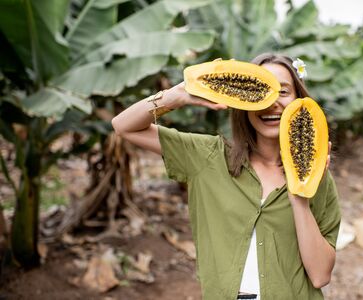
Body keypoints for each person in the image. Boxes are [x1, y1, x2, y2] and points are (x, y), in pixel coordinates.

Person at [111, 53, 341, 300]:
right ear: (242, 101)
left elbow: (320, 275)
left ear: (299, 100)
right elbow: (123, 126)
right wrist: (177, 95)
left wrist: (300, 193)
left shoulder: (317, 178)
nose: (272, 102)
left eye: (283, 92)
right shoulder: (208, 157)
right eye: (262, 90)